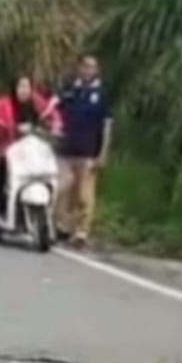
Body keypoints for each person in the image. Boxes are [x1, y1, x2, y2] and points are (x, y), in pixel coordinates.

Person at [0, 75, 58, 223]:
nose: (24, 90)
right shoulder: (3, 104)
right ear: (14, 88)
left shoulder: (37, 103)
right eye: (20, 86)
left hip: (32, 151)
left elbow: (53, 116)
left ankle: (49, 218)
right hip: (6, 148)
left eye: (27, 86)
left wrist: (56, 128)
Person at [54, 53, 113, 248]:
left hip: (88, 152)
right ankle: (63, 226)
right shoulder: (70, 90)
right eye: (84, 66)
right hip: (66, 149)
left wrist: (103, 152)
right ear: (79, 68)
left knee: (84, 194)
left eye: (91, 67)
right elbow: (55, 113)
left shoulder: (102, 95)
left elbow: (106, 126)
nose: (87, 70)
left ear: (96, 71)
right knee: (62, 190)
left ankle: (81, 231)